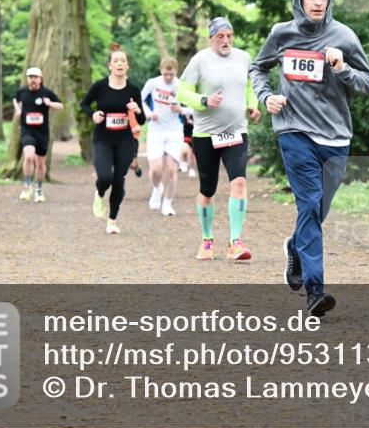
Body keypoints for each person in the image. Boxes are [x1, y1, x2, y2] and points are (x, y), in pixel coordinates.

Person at [250, 0, 369, 317]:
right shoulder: (282, 34)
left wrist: (343, 68)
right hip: (293, 130)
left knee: (318, 210)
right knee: (308, 204)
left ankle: (295, 247)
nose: (318, 2)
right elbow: (258, 68)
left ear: (329, 0)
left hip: (335, 136)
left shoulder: (344, 37)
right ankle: (315, 291)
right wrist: (266, 97)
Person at [179, 17, 260, 261]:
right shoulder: (200, 60)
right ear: (211, 38)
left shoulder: (243, 58)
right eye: (220, 36)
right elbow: (182, 92)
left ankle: (235, 242)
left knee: (239, 182)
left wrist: (253, 105)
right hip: (206, 134)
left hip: (236, 131)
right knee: (207, 190)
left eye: (229, 36)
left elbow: (249, 86)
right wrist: (204, 100)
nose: (225, 41)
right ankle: (207, 239)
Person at [80, 44, 146, 234]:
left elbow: (141, 120)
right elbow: (84, 104)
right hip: (102, 139)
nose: (119, 64)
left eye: (123, 61)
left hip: (124, 141)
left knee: (118, 181)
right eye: (116, 61)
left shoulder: (133, 89)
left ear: (127, 66)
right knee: (105, 177)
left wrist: (137, 110)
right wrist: (93, 114)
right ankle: (100, 193)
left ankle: (112, 220)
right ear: (110, 65)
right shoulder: (100, 86)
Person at [141, 57, 186, 216]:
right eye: (165, 74)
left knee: (172, 169)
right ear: (161, 70)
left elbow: (195, 109)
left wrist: (181, 110)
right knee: (156, 169)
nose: (168, 77)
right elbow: (140, 100)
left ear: (176, 72)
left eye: (171, 74)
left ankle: (167, 203)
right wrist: (149, 113)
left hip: (174, 130)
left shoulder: (181, 86)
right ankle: (156, 188)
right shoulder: (153, 83)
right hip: (156, 130)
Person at [13, 66, 64, 203]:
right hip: (27, 131)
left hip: (42, 133)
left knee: (40, 163)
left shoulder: (47, 93)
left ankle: (39, 189)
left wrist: (50, 103)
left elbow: (60, 106)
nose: (33, 80)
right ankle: (27, 186)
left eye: (35, 77)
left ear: (40, 79)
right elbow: (15, 100)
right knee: (29, 156)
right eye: (30, 77)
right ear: (27, 79)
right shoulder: (22, 92)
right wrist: (18, 110)